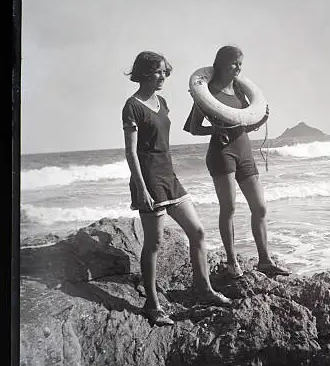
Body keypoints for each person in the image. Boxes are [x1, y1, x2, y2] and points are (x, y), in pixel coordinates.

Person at [122, 51, 231, 326]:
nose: (163, 76)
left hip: (170, 177)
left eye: (165, 72)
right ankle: (152, 304)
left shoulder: (163, 102)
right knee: (154, 243)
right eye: (158, 71)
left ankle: (204, 289)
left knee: (198, 232)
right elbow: (131, 153)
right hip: (149, 180)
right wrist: (142, 188)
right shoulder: (132, 106)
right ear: (144, 72)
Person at [183, 45, 290, 277]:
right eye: (234, 63)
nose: (239, 67)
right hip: (222, 153)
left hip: (245, 152)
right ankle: (232, 263)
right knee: (229, 208)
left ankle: (265, 261)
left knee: (260, 207)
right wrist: (215, 128)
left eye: (241, 63)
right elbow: (192, 128)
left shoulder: (241, 92)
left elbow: (242, 124)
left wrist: (261, 120)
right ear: (220, 64)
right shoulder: (206, 93)